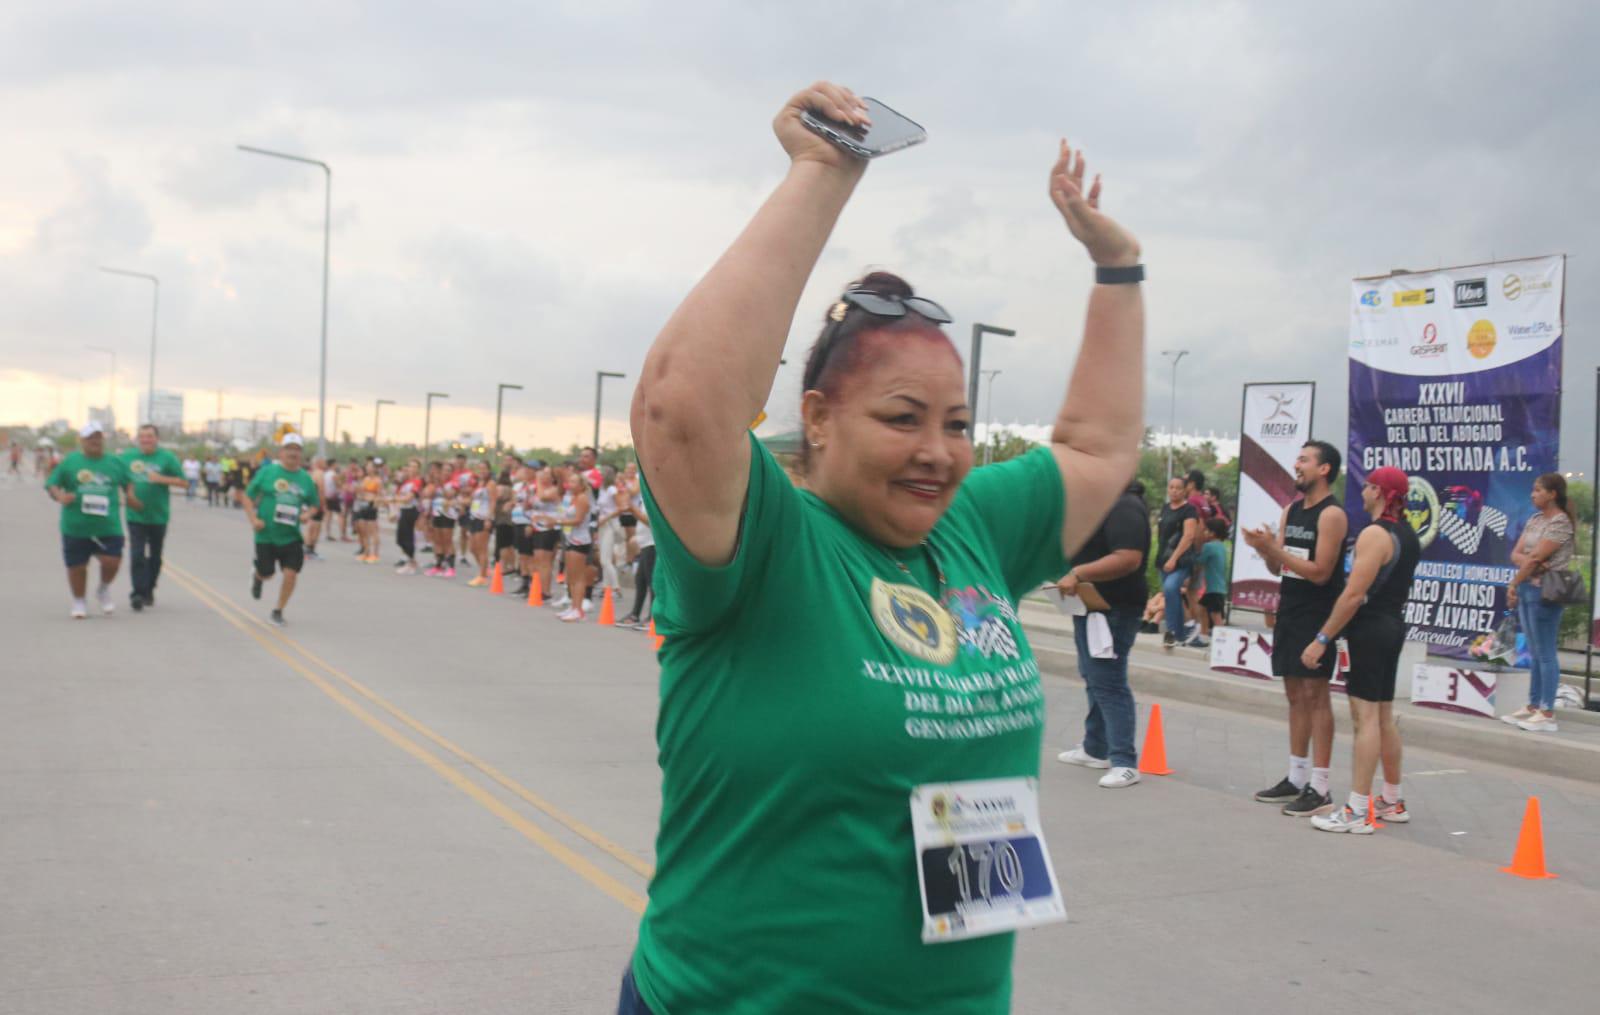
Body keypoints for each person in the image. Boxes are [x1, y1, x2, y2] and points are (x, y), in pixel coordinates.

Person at [620, 82, 1143, 1013]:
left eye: (957, 422)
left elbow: (1096, 448)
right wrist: (823, 170)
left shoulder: (971, 525)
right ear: (817, 418)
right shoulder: (764, 541)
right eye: (903, 419)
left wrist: (1119, 273)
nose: (938, 452)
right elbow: (681, 405)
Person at [1305, 467, 1421, 833]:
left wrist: (1321, 638)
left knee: (1364, 718)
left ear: (1383, 493)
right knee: (1383, 716)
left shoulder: (1375, 534)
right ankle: (1391, 798)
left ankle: (1357, 809)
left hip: (1370, 629)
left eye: (1370, 486)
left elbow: (1354, 594)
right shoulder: (1408, 534)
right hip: (1391, 625)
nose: (1364, 490)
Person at [1241, 440, 1348, 817]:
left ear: (1324, 470)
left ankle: (1320, 786)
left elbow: (1320, 573)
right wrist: (1265, 549)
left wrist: (1277, 549)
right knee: (1293, 695)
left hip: (1318, 615)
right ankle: (1296, 776)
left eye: (1304, 460)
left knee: (1317, 695)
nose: (1296, 465)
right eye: (1297, 458)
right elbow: (1280, 569)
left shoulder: (1332, 515)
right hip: (1289, 609)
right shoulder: (1290, 510)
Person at [1055, 479, 1151, 788]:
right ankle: (1095, 748)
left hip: (1115, 609)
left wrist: (1078, 573)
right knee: (1093, 675)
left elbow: (1128, 557)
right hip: (1091, 604)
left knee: (1108, 680)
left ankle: (1124, 761)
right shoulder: (1104, 504)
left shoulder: (1124, 506)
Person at [1503, 472, 1579, 733]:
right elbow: (1518, 553)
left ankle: (1547, 711)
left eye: (1538, 490)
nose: (1533, 495)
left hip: (1545, 592)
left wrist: (1514, 581)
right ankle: (1533, 705)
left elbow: (1534, 556)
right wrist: (1529, 566)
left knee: (1546, 653)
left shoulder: (1560, 523)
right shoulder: (1535, 520)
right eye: (1533, 490)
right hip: (1528, 588)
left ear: (1552, 494)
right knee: (1534, 651)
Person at [46, 421, 141, 619]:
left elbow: (128, 480)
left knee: (112, 561)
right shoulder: (71, 462)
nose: (95, 441)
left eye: (98, 437)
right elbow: (52, 484)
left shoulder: (115, 462)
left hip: (108, 526)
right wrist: (60, 497)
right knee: (77, 567)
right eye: (90, 437)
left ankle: (103, 589)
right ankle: (79, 601)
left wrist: (130, 495)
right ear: (82, 440)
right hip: (76, 526)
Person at [242, 433, 321, 626]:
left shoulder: (305, 479)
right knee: (267, 573)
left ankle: (278, 610)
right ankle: (258, 576)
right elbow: (247, 496)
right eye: (289, 449)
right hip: (266, 535)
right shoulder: (268, 472)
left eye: (297, 450)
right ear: (281, 452)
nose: (293, 453)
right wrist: (253, 519)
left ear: (301, 454)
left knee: (291, 574)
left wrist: (307, 515)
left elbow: (314, 505)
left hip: (291, 537)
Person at [120, 424, 187, 611]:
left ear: (156, 439)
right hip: (136, 515)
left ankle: (149, 589)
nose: (146, 440)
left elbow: (184, 483)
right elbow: (118, 478)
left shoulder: (167, 458)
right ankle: (138, 593)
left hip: (158, 516)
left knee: (155, 557)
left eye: (149, 436)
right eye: (142, 436)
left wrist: (162, 479)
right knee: (137, 555)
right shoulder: (127, 457)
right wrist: (126, 494)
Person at [1156, 476, 1199, 647]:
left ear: (1184, 490)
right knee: (1171, 595)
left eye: (1178, 488)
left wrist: (1174, 559)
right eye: (1171, 487)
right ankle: (1183, 633)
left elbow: (1189, 536)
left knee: (1171, 588)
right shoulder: (1165, 508)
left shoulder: (1189, 510)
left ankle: (1172, 631)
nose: (1174, 490)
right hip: (1163, 560)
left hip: (1181, 561)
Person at [1188, 517, 1230, 646]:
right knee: (1202, 608)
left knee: (1216, 616)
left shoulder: (1209, 546)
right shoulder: (1221, 547)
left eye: (1206, 531)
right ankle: (1204, 637)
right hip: (1217, 588)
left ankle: (1224, 643)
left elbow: (1198, 561)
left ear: (1212, 533)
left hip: (1214, 589)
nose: (1204, 533)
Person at [618, 497, 655, 630]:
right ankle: (635, 614)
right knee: (640, 580)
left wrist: (633, 510)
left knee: (652, 583)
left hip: (652, 544)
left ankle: (653, 618)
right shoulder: (644, 498)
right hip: (645, 542)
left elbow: (651, 522)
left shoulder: (654, 498)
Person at [392, 459, 424, 575]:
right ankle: (411, 560)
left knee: (407, 538)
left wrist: (395, 499)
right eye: (410, 466)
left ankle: (411, 563)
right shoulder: (406, 482)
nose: (412, 469)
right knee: (400, 539)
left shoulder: (417, 481)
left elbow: (408, 498)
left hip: (411, 510)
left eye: (415, 467)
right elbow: (399, 496)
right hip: (403, 510)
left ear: (418, 469)